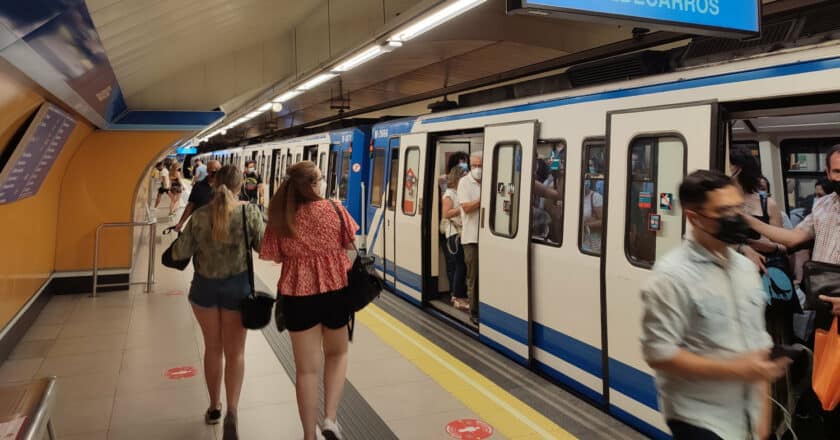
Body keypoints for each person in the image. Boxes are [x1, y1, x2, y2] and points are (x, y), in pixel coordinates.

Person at [640, 170, 790, 440]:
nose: (735, 217)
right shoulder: (671, 276)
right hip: (698, 418)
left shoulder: (746, 269)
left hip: (747, 418)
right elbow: (658, 353)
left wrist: (762, 425)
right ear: (694, 218)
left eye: (738, 208)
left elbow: (758, 347)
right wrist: (736, 369)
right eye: (723, 211)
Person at [743, 145, 840, 437]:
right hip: (825, 310)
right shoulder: (823, 206)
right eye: (837, 171)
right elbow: (795, 237)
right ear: (827, 173)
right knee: (826, 391)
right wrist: (747, 222)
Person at [259, 161, 357, 440]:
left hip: (297, 298)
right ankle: (330, 419)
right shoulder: (335, 209)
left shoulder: (281, 216)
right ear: (314, 184)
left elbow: (275, 256)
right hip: (335, 292)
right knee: (337, 355)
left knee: (306, 370)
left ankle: (308, 436)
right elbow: (351, 248)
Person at [171, 165, 264, 440]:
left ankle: (214, 407)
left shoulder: (200, 216)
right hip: (238, 290)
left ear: (214, 184)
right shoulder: (249, 213)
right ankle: (233, 411)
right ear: (240, 186)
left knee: (213, 349)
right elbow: (263, 247)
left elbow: (180, 252)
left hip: (204, 291)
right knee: (236, 353)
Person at [457, 151, 482, 325]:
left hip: (488, 239)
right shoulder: (464, 183)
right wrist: (484, 200)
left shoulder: (491, 180)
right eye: (474, 165)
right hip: (471, 238)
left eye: (480, 165)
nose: (477, 169)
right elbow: (466, 207)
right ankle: (474, 312)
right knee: (473, 277)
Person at [442, 166, 468, 310]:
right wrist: (463, 207)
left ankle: (460, 294)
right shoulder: (449, 194)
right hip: (454, 234)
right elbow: (447, 213)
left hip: (463, 233)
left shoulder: (461, 192)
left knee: (462, 265)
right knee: (460, 265)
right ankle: (457, 295)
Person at [176, 160, 221, 232]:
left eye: (218, 169)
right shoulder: (198, 186)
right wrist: (181, 222)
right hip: (200, 225)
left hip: (217, 226)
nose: (215, 171)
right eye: (213, 169)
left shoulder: (224, 186)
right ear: (207, 171)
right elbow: (190, 205)